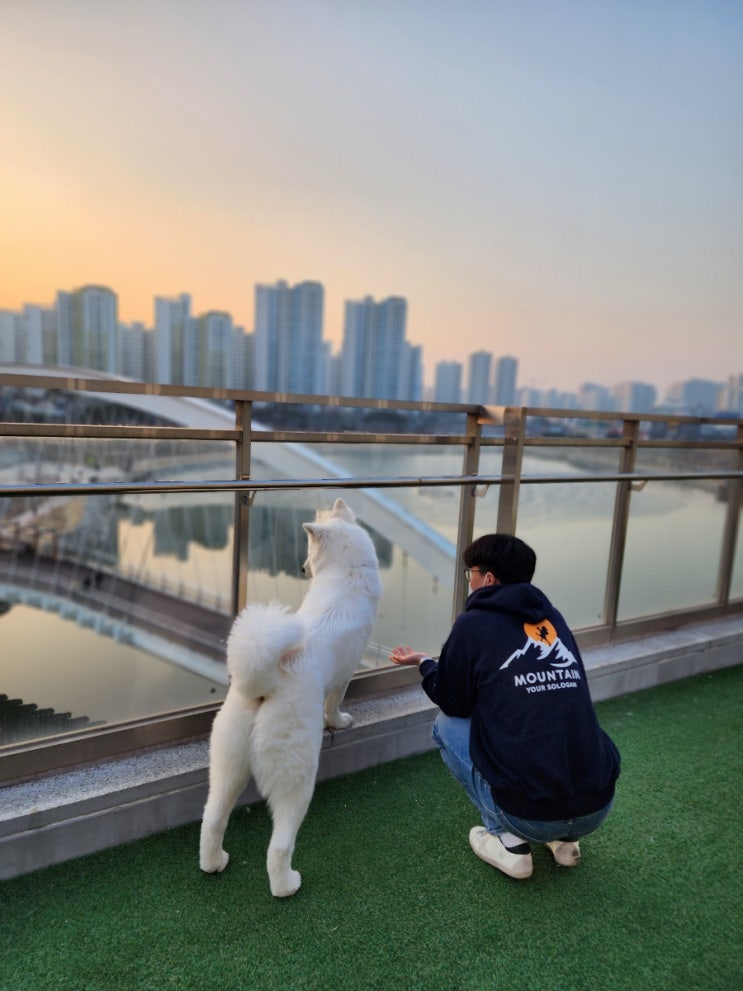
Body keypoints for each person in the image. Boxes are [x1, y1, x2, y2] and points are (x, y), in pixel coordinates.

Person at [389, 533, 620, 881]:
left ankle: (509, 841)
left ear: (488, 578)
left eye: (471, 573)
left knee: (446, 725)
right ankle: (566, 841)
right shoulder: (552, 618)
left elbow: (453, 701)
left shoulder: (472, 625)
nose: (470, 582)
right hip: (597, 808)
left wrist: (426, 664)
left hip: (528, 815)